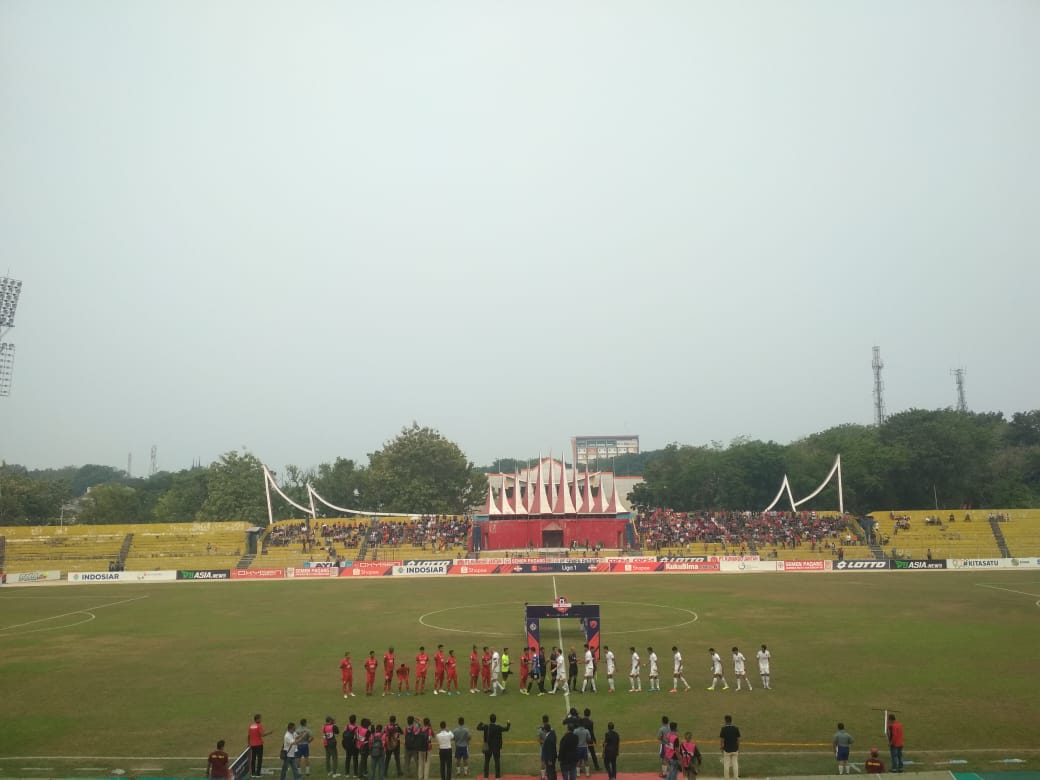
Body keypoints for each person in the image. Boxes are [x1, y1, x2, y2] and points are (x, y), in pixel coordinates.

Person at [476, 713, 510, 780]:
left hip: (488, 747)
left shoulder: (486, 727)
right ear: (495, 720)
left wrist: (481, 723)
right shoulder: (498, 727)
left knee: (486, 761)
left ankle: (486, 777)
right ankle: (497, 777)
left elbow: (478, 728)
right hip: (496, 747)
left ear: (490, 720)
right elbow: (507, 729)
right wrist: (508, 723)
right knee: (497, 761)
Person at [249, 714, 273, 778]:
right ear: (257, 719)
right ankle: (258, 773)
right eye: (260, 718)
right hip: (259, 745)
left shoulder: (251, 726)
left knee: (253, 759)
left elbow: (249, 735)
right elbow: (262, 734)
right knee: (259, 759)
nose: (261, 719)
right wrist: (269, 733)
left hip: (252, 745)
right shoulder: (259, 725)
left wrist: (249, 743)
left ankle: (253, 773)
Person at [719, 715, 740, 780]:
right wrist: (738, 747)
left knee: (726, 765)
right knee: (735, 764)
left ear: (725, 721)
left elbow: (722, 740)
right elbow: (738, 739)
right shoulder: (736, 728)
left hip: (727, 749)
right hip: (735, 749)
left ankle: (726, 778)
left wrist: (721, 748)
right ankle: (736, 777)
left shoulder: (723, 729)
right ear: (731, 720)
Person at [539, 715, 558, 780]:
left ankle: (543, 776)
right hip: (552, 753)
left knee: (549, 770)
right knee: (552, 769)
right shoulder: (553, 731)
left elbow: (539, 740)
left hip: (548, 753)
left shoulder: (540, 730)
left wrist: (544, 742)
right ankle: (545, 776)